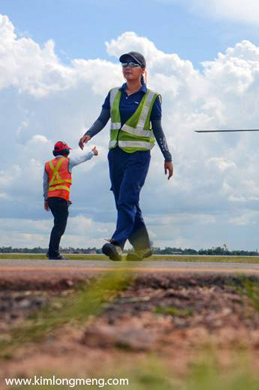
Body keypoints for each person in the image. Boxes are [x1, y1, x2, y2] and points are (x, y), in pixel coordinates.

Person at [79, 51, 173, 262]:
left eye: (132, 64)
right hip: (116, 155)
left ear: (142, 70)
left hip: (139, 156)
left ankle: (117, 244)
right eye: (123, 65)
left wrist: (167, 156)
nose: (127, 67)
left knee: (127, 199)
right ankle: (143, 247)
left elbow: (158, 129)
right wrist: (89, 133)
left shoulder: (152, 98)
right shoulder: (113, 94)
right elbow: (103, 118)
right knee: (125, 201)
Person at [44, 141, 98, 260]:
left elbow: (45, 183)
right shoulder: (67, 161)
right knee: (60, 226)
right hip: (61, 197)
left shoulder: (48, 164)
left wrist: (46, 199)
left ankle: (51, 251)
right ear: (65, 151)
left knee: (57, 224)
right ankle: (53, 253)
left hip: (52, 199)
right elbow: (81, 158)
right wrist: (92, 152)